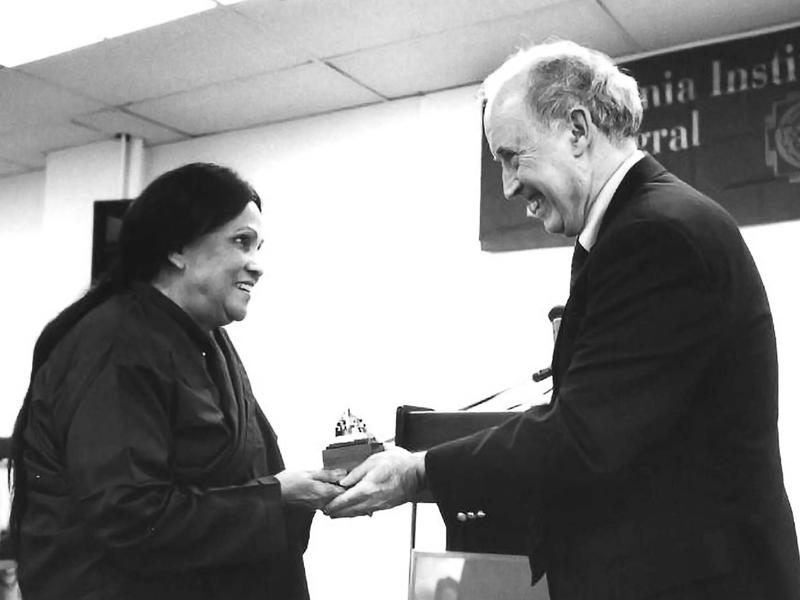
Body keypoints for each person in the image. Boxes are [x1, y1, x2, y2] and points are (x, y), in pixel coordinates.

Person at [324, 40, 800, 599]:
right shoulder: (639, 227)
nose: (506, 186)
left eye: (510, 156)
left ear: (577, 130)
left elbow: (583, 436)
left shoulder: (657, 235)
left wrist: (418, 471)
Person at [9, 162, 345, 599]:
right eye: (242, 242)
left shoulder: (206, 341)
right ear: (177, 248)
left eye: (259, 246)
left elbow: (249, 469)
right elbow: (131, 518)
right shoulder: (116, 345)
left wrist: (309, 490)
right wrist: (278, 497)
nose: (257, 265)